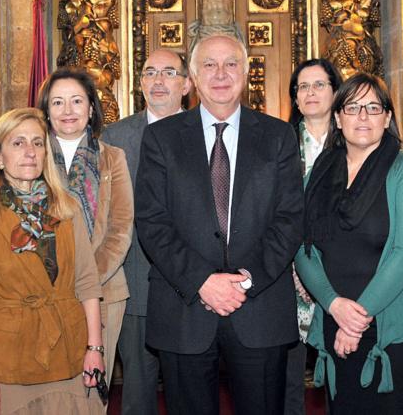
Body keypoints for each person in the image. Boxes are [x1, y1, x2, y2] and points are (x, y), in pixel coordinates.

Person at [135, 34, 304, 415]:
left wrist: (244, 281)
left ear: (246, 73)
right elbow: (152, 221)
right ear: (192, 78)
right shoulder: (160, 138)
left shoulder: (279, 136)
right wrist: (202, 282)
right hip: (184, 308)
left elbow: (290, 220)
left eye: (231, 64)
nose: (221, 74)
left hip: (259, 308)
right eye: (209, 64)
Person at [295, 72, 403, 414]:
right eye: (353, 107)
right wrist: (334, 305)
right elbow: (301, 246)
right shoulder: (319, 173)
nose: (362, 116)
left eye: (373, 108)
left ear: (387, 118)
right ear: (338, 117)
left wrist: (358, 317)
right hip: (335, 316)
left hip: (396, 327)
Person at [0, 108, 104, 414]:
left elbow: (88, 284)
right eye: (18, 143)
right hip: (10, 360)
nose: (30, 152)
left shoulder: (68, 209)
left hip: (70, 350)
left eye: (38, 143)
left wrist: (95, 349)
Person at [100, 48, 192, 415]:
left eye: (168, 72)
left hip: (193, 289)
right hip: (136, 285)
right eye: (149, 72)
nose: (158, 80)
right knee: (137, 395)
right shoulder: (114, 137)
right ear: (139, 83)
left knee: (191, 392)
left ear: (186, 84)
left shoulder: (209, 132)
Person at [37, 68, 134, 412]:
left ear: (91, 108)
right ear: (46, 110)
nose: (68, 110)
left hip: (104, 291)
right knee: (45, 391)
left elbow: (120, 228)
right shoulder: (30, 155)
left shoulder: (112, 158)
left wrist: (84, 281)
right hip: (39, 294)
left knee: (90, 394)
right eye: (58, 102)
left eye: (77, 101)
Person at [284, 58, 342, 415]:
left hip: (342, 277)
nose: (310, 93)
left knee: (341, 369)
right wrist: (297, 271)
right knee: (288, 377)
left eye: (319, 84)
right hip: (288, 276)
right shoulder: (280, 143)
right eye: (303, 87)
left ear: (336, 91)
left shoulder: (354, 143)